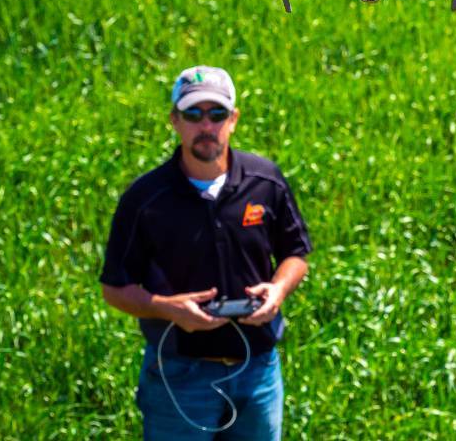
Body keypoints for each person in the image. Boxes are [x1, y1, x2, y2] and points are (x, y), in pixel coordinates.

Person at [99, 65, 311, 440]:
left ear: (233, 119)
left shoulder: (265, 181)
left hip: (259, 370)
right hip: (179, 374)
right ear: (174, 121)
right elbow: (114, 288)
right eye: (193, 114)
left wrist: (278, 290)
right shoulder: (146, 199)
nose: (206, 126)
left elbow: (296, 254)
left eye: (217, 114)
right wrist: (166, 308)